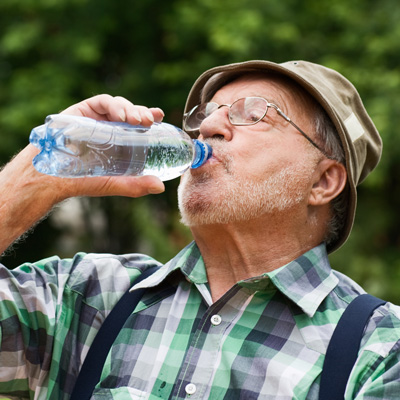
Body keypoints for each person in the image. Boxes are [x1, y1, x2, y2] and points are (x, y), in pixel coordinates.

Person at [0, 60, 399, 399]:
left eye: (253, 112)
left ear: (323, 182)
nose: (208, 126)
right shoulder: (88, 294)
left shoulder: (379, 351)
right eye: (208, 113)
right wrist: (37, 174)